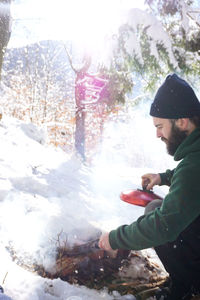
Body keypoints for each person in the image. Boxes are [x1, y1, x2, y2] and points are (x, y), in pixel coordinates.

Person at [98, 73, 200, 300]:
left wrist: (114, 238)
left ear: (182, 122)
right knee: (157, 207)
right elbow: (192, 183)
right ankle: (186, 282)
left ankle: (189, 287)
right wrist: (163, 177)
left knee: (158, 214)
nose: (157, 134)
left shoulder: (194, 164)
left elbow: (164, 226)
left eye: (160, 126)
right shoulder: (195, 158)